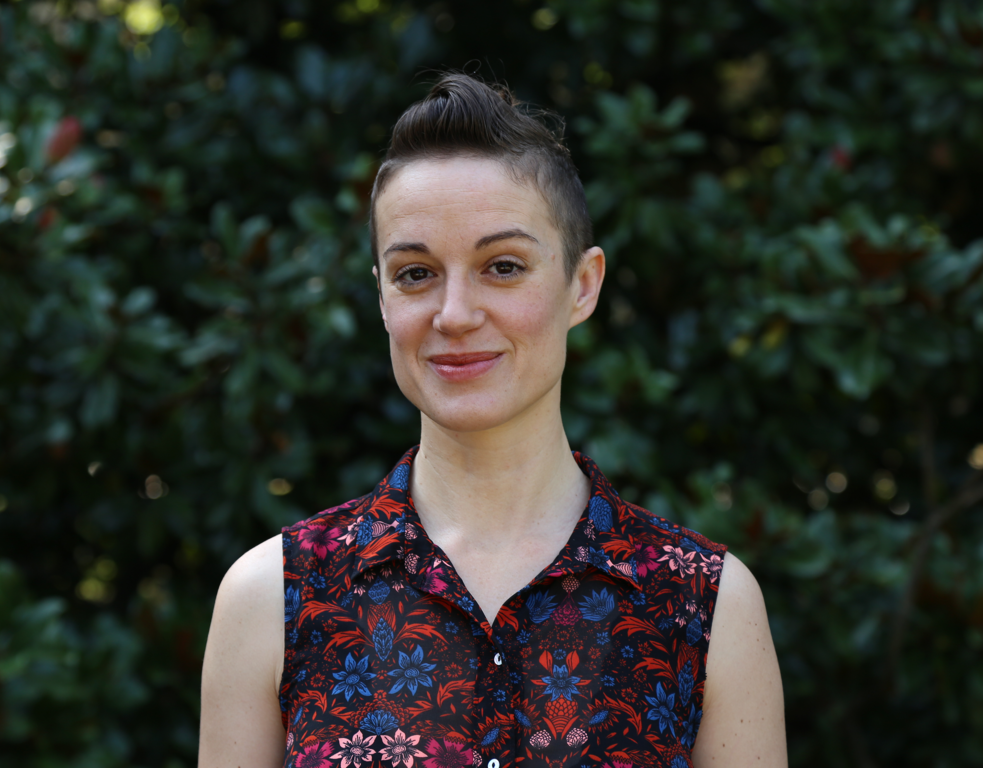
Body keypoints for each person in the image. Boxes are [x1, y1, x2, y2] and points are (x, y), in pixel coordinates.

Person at [198, 73, 787, 768]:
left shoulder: (703, 604)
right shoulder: (272, 599)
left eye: (502, 266)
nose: (453, 315)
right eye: (415, 273)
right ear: (382, 299)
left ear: (583, 284)